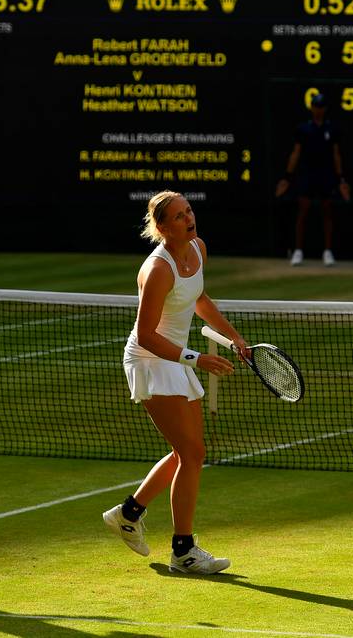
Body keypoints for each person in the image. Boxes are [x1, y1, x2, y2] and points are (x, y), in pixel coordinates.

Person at [103, 190, 244, 575]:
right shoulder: (158, 269)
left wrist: (233, 337)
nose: (189, 218)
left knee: (189, 453)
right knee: (192, 452)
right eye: (179, 216)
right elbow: (146, 335)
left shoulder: (198, 248)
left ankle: (128, 514)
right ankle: (183, 551)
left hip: (176, 355)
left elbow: (200, 299)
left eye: (190, 210)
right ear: (162, 227)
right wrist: (197, 359)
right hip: (150, 359)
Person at [275, 93, 350, 267]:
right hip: (307, 175)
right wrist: (287, 177)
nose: (318, 110)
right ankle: (298, 251)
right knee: (303, 212)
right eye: (316, 106)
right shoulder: (303, 129)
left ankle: (327, 252)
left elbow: (336, 155)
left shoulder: (332, 129)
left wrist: (341, 179)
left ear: (325, 109)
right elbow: (296, 153)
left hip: (326, 176)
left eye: (321, 107)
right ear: (312, 108)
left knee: (327, 212)